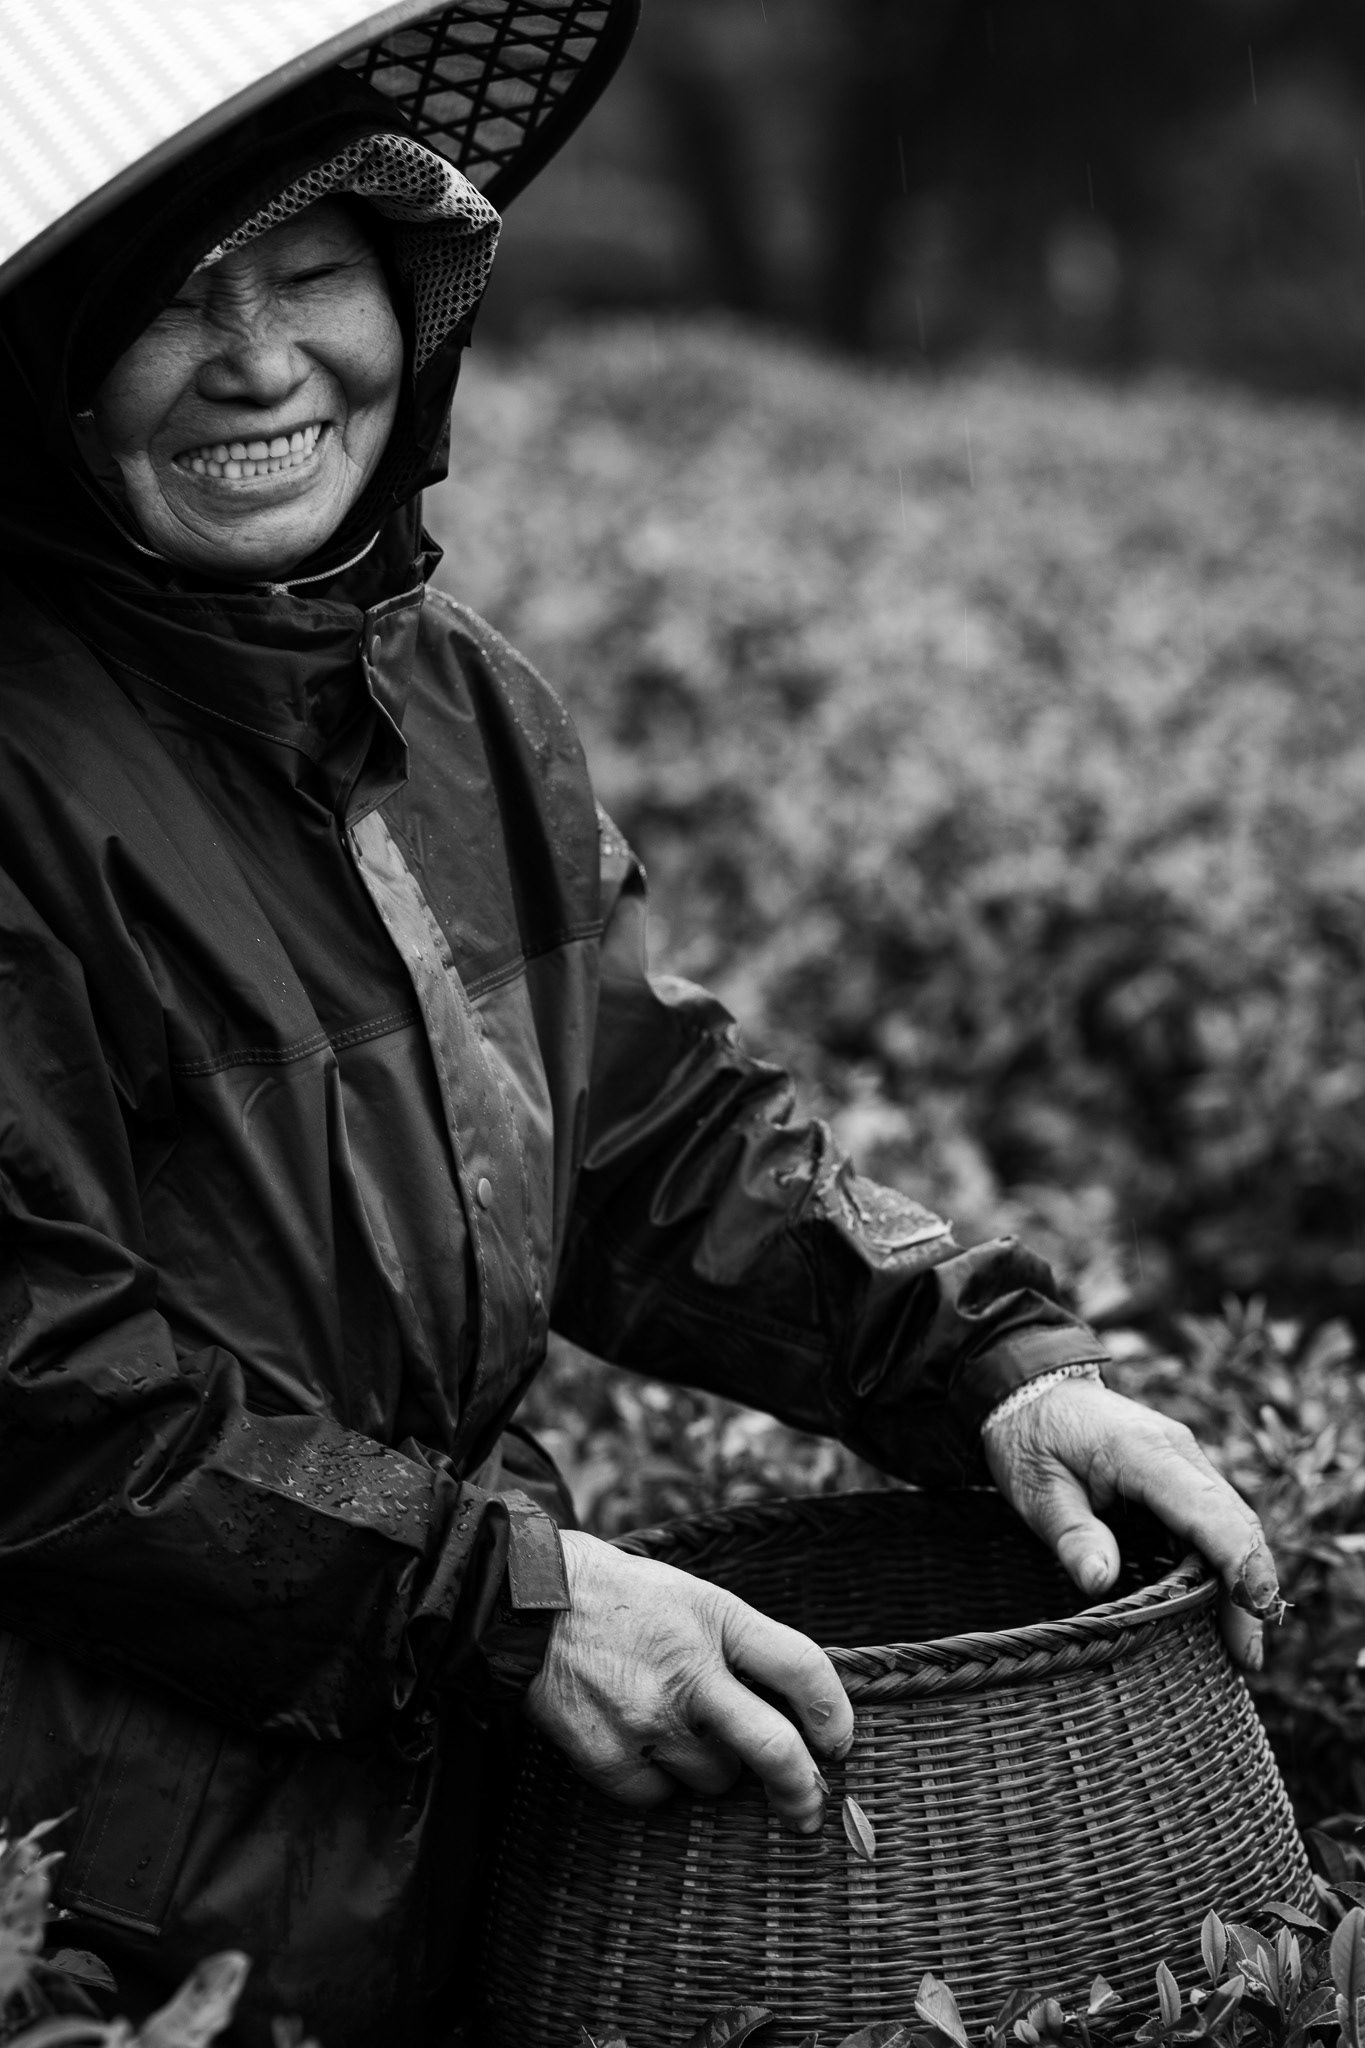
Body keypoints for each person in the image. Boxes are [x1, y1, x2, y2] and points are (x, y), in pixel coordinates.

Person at [0, 54, 1279, 2048]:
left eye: (312, 266)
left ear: (409, 294)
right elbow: (44, 1409)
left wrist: (986, 1369)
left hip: (435, 1821)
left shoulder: (450, 707)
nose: (261, 361)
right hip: (91, 1893)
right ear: (47, 365)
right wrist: (505, 1604)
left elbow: (639, 1135)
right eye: (169, 294)